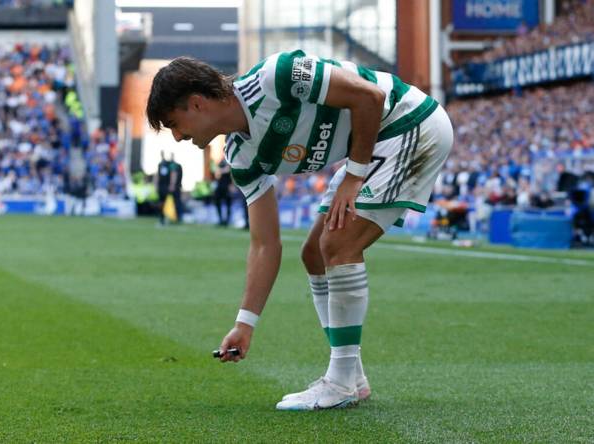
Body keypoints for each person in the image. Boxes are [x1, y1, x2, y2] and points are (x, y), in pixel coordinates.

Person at [146, 50, 454, 410]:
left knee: (337, 245)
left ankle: (339, 383)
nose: (178, 137)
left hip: (410, 123)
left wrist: (353, 176)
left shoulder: (278, 75)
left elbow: (369, 96)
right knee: (314, 255)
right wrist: (245, 324)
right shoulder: (241, 156)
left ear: (196, 104)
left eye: (174, 124)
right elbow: (265, 244)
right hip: (373, 147)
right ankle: (351, 376)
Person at [213, 158, 233, 226]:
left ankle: (227, 221)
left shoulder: (231, 160)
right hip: (220, 186)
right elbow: (217, 174)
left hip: (227, 186)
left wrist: (220, 171)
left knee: (228, 204)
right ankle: (220, 220)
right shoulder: (221, 162)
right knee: (217, 202)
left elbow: (229, 169)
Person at [155, 150, 171, 225]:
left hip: (165, 186)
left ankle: (165, 218)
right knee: (162, 203)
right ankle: (162, 218)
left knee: (164, 203)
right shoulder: (161, 164)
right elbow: (158, 175)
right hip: (163, 186)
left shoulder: (167, 164)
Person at [169, 152, 184, 222]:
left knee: (176, 202)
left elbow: (173, 175)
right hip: (178, 186)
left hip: (175, 187)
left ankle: (177, 216)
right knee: (177, 202)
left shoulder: (173, 165)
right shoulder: (178, 165)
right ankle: (178, 216)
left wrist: (172, 185)